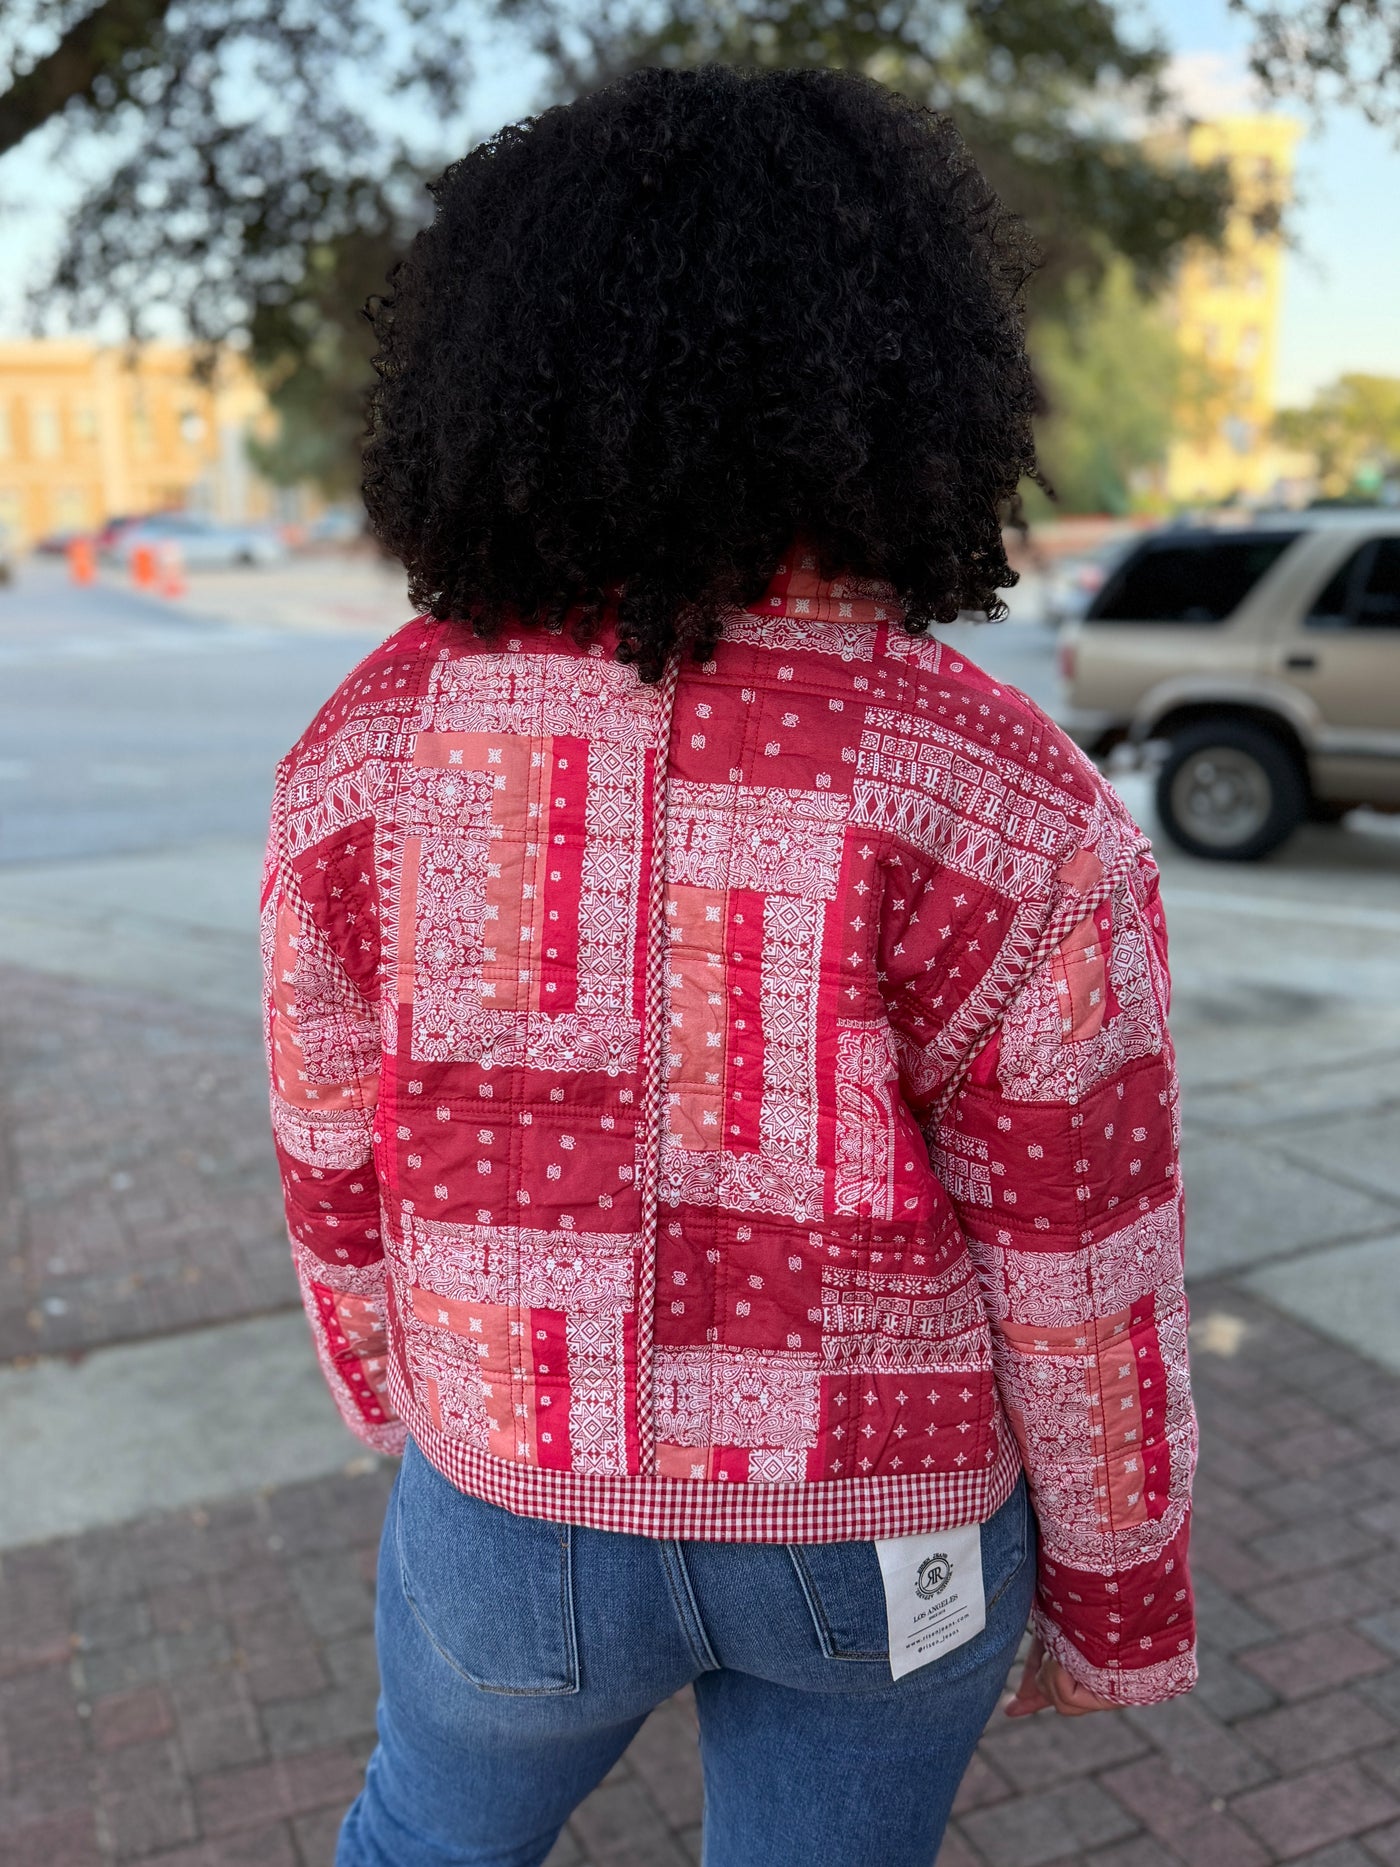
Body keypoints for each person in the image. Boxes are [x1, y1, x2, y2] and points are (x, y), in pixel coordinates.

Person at [261, 63, 1196, 1867]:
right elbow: (1083, 1253)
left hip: (507, 1507)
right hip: (878, 1530)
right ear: (902, 374)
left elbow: (330, 1148)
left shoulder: (368, 747)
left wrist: (404, 1398)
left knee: (421, 1847)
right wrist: (1115, 1592)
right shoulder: (1001, 789)